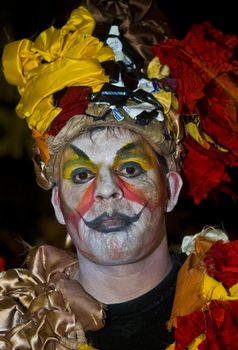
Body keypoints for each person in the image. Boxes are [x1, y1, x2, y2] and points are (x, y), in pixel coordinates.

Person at [1, 1, 238, 349]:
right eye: (82, 175)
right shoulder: (15, 329)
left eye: (129, 168)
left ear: (171, 188)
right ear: (57, 203)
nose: (107, 190)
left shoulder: (229, 301)